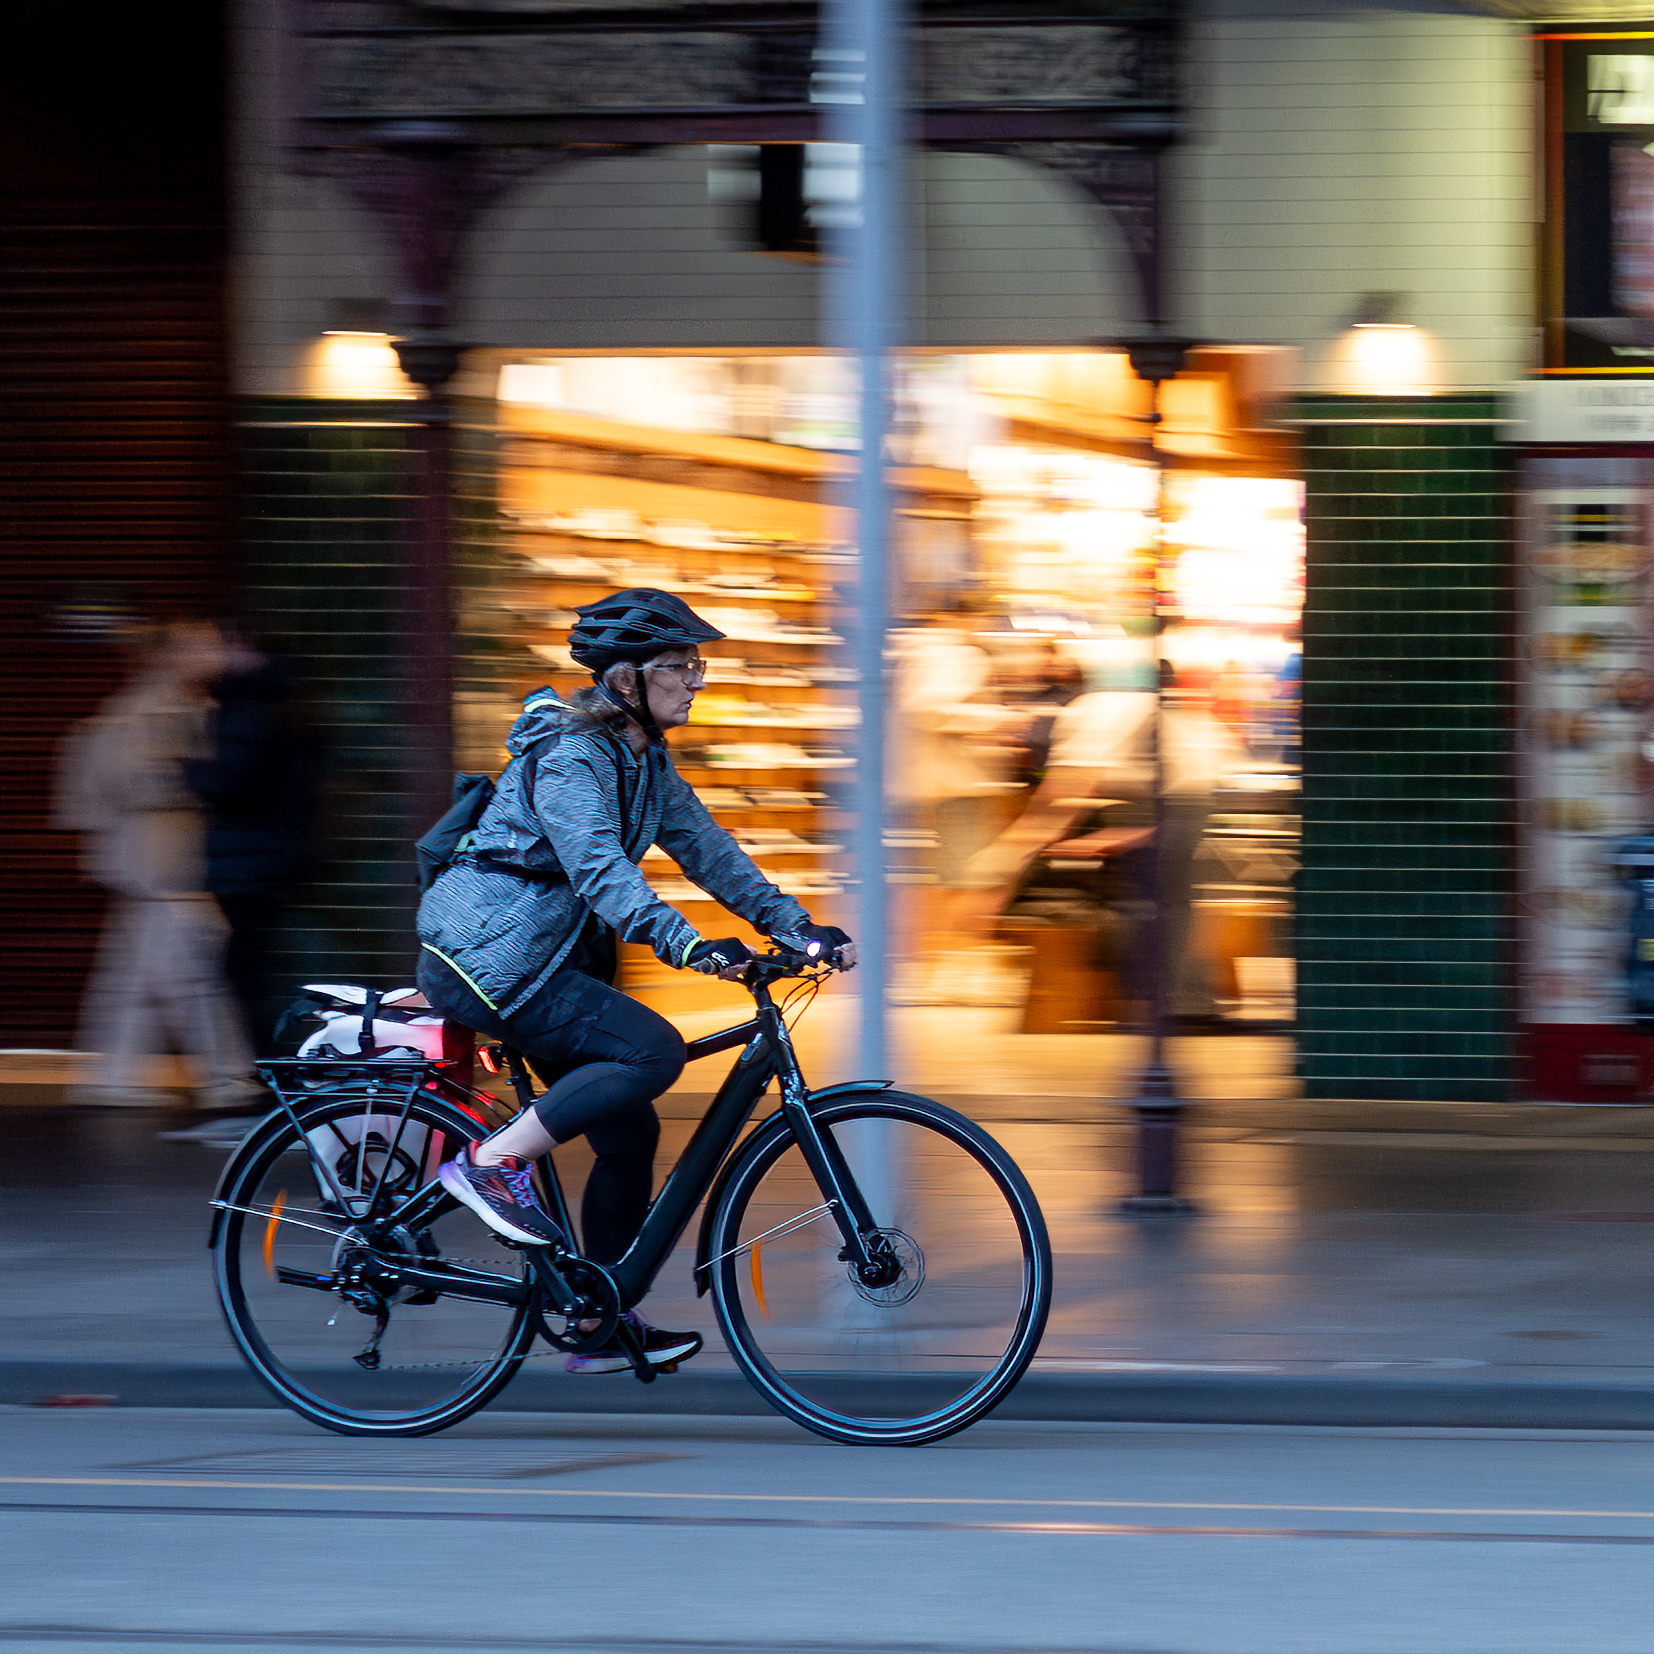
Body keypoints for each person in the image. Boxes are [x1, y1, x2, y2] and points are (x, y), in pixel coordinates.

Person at [415, 589, 854, 1374]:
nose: (694, 681)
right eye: (678, 667)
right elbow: (600, 874)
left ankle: (594, 1315)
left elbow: (709, 851)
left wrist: (794, 925)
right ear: (625, 682)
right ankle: (492, 1164)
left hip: (550, 961)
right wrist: (690, 945)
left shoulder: (643, 760)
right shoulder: (570, 756)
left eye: (696, 666)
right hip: (488, 959)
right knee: (650, 1052)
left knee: (630, 1131)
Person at [54, 620, 266, 1111]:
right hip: (165, 864)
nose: (214, 657)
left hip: (154, 865)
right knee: (195, 973)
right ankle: (228, 1075)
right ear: (171, 655)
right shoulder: (157, 709)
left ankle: (110, 1076)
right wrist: (206, 782)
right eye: (201, 648)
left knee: (132, 977)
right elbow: (136, 781)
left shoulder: (168, 705)